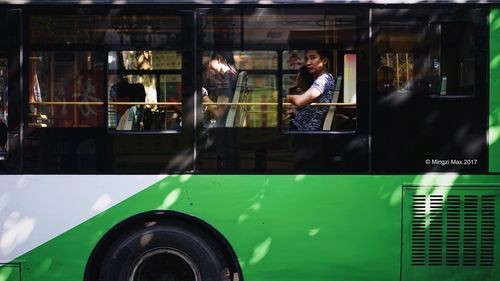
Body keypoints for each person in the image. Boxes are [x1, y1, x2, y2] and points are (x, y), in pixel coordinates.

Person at [286, 49, 335, 131]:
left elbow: (299, 101)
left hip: (304, 131)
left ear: (324, 61)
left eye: (312, 58)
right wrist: (295, 112)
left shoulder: (323, 80)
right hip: (300, 126)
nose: (308, 63)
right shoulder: (323, 78)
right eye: (306, 59)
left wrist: (282, 96)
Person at [201, 53, 238, 127]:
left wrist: (203, 95)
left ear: (218, 59)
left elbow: (219, 113)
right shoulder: (232, 75)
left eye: (208, 63)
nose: (208, 68)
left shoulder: (224, 81)